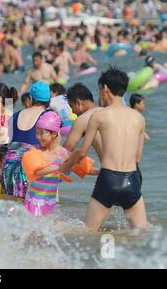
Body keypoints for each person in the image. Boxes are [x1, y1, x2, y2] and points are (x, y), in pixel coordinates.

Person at [59, 67, 148, 232]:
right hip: (133, 179)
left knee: (88, 232)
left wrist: (64, 166)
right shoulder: (139, 118)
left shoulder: (98, 116)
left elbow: (81, 151)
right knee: (141, 233)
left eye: (99, 89)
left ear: (105, 88)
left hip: (109, 179)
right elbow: (138, 158)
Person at [2, 81, 50, 200]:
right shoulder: (49, 116)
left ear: (31, 98)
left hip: (9, 166)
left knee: (8, 209)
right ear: (49, 100)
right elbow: (54, 148)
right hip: (31, 166)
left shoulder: (15, 116)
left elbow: (9, 143)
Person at [24, 111, 70, 216]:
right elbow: (35, 172)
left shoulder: (63, 154)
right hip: (33, 202)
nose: (38, 137)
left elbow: (78, 167)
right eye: (37, 133)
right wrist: (58, 167)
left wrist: (100, 171)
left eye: (42, 133)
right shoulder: (34, 149)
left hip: (50, 203)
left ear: (54, 133)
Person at [63, 83, 103, 160]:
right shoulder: (106, 111)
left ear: (78, 103)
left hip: (110, 170)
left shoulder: (82, 120)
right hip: (130, 168)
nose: (73, 112)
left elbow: (65, 152)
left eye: (72, 107)